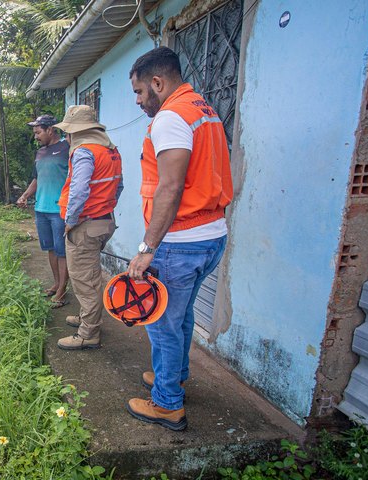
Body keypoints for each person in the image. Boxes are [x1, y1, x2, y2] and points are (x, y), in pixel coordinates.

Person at [126, 46, 234, 431]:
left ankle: (168, 403)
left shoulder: (171, 117)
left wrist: (145, 249)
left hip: (180, 242)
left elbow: (170, 189)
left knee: (161, 323)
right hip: (211, 236)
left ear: (158, 82)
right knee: (181, 314)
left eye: (140, 92)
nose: (139, 101)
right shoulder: (202, 110)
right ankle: (174, 375)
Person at [53, 105, 123, 350]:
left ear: (76, 132)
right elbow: (119, 186)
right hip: (103, 220)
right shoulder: (110, 150)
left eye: (68, 132)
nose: (67, 137)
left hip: (85, 224)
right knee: (89, 274)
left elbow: (79, 190)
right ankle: (87, 318)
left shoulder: (84, 152)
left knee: (84, 279)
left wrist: (71, 221)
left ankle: (88, 333)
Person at [16, 114, 70, 307]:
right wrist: (25, 195)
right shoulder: (40, 153)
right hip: (41, 209)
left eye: (38, 132)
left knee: (62, 250)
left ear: (50, 129)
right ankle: (57, 284)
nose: (36, 137)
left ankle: (63, 290)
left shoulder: (66, 148)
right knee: (50, 248)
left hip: (59, 209)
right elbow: (37, 179)